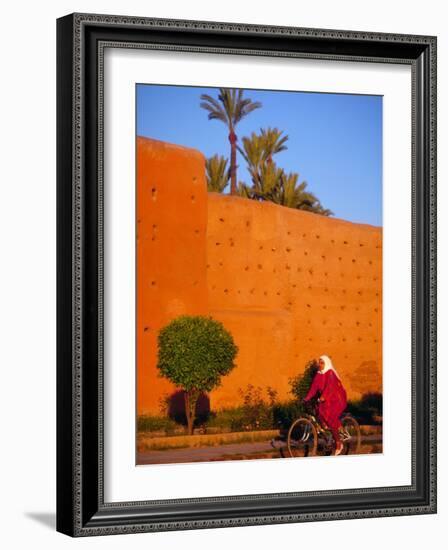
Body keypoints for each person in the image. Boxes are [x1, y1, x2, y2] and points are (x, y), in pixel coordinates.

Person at [303, 355, 347, 456]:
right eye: (319, 362)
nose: (320, 365)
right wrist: (307, 398)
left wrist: (323, 397)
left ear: (326, 363)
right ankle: (334, 432)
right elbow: (314, 388)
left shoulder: (330, 373)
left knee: (331, 418)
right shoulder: (319, 374)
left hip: (337, 399)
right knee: (319, 414)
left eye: (322, 362)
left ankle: (339, 444)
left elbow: (330, 387)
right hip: (326, 400)